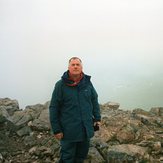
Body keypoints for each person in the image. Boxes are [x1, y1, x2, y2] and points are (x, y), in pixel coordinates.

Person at [49, 57, 101, 163]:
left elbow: (94, 99)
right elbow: (54, 108)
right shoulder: (60, 85)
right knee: (67, 157)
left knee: (81, 156)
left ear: (81, 67)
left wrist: (97, 117)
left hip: (85, 128)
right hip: (68, 131)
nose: (75, 66)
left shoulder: (87, 83)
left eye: (78, 64)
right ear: (68, 67)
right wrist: (56, 129)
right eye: (73, 65)